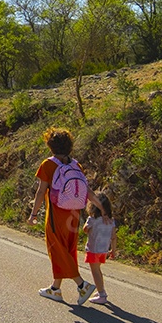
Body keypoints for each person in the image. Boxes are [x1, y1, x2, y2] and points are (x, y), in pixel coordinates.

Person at [28, 127, 103, 306]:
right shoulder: (76, 165)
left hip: (57, 214)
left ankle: (82, 284)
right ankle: (55, 288)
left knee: (57, 249)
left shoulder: (48, 165)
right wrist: (101, 207)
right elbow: (87, 191)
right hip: (74, 215)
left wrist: (33, 214)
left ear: (50, 145)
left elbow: (41, 192)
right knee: (67, 250)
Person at [83, 194, 117, 304]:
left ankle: (102, 294)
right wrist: (113, 250)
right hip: (104, 250)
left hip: (93, 249)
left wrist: (88, 224)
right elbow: (113, 237)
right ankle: (100, 289)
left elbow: (85, 229)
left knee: (95, 271)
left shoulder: (92, 219)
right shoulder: (111, 221)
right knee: (98, 270)